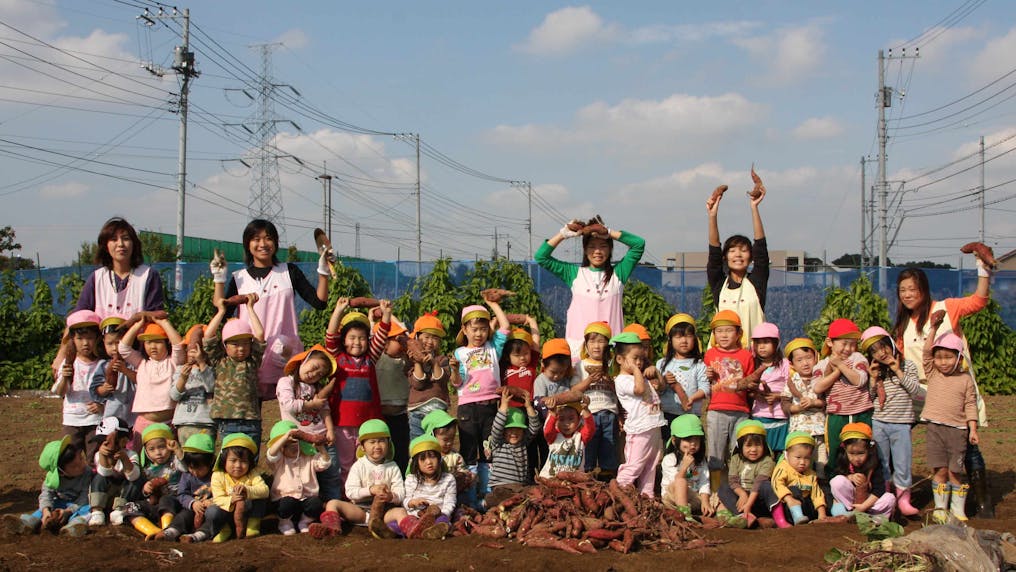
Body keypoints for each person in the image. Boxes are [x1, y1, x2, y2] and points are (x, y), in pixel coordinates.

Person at [892, 261, 993, 517]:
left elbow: (979, 300)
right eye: (902, 290)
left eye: (912, 289)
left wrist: (983, 269)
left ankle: (982, 502)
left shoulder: (946, 308)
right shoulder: (903, 326)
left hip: (955, 391)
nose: (907, 294)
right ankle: (896, 493)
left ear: (923, 290)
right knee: (896, 435)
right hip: (921, 394)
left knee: (966, 446)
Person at [211, 219, 330, 402]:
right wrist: (219, 279)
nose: (262, 244)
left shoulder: (288, 272)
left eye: (268, 238)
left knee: (292, 411)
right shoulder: (240, 279)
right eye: (256, 239)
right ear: (247, 244)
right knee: (251, 415)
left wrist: (323, 270)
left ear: (275, 242)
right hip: (251, 357)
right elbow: (222, 312)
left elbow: (319, 302)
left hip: (285, 355)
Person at [535, 218, 645, 356]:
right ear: (585, 250)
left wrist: (609, 232)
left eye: (603, 246)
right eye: (592, 246)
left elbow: (639, 244)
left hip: (611, 350)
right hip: (579, 351)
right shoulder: (574, 274)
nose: (597, 251)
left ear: (610, 249)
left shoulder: (618, 274)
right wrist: (563, 234)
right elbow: (541, 257)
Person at [324, 297, 391, 487]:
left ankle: (365, 496)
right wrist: (338, 310)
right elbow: (330, 335)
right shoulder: (337, 358)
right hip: (342, 423)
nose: (357, 342)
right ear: (343, 340)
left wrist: (386, 314)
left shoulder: (371, 358)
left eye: (362, 338)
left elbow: (382, 335)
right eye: (352, 338)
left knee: (367, 462)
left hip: (368, 424)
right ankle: (347, 495)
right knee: (346, 463)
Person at [450, 295, 510, 505]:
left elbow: (505, 327)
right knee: (468, 451)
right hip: (467, 407)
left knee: (489, 450)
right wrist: (455, 371)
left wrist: (493, 304)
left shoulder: (493, 348)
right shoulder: (459, 353)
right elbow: (457, 383)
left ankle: (486, 493)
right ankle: (469, 495)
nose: (478, 334)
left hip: (490, 406)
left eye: (483, 329)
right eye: (474, 329)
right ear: (464, 330)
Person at [922, 314, 979, 523]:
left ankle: (957, 510)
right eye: (940, 357)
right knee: (939, 469)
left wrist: (972, 429)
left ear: (959, 358)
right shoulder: (933, 373)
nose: (943, 362)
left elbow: (970, 405)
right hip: (935, 428)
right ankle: (940, 508)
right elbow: (926, 353)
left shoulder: (965, 380)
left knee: (956, 471)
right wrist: (933, 329)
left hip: (957, 430)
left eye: (948, 357)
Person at [860, 326, 921, 516]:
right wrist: (872, 379)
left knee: (903, 462)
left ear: (891, 344)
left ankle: (903, 499)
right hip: (879, 421)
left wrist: (897, 371)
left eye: (883, 347)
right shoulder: (877, 372)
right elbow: (870, 398)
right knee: (883, 462)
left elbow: (916, 392)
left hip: (902, 423)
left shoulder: (907, 366)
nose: (881, 353)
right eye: (874, 351)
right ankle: (886, 497)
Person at [312, 420, 406, 540]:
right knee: (332, 503)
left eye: (382, 441)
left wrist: (391, 496)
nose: (377, 446)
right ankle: (331, 528)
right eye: (372, 442)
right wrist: (370, 490)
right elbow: (350, 492)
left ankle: (410, 531)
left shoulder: (393, 466)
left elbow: (401, 493)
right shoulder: (359, 465)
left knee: (401, 512)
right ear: (362, 446)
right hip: (360, 511)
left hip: (384, 513)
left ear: (389, 443)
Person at [706, 175, 769, 344]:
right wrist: (712, 215)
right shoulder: (720, 285)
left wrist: (754, 208)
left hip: (753, 358)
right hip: (721, 360)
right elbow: (713, 253)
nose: (738, 255)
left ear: (751, 257)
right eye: (732, 251)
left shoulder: (757, 282)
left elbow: (761, 248)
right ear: (725, 257)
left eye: (743, 250)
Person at [205, 295, 266, 456]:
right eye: (235, 344)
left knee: (250, 460)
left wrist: (250, 308)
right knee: (229, 461)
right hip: (227, 421)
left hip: (251, 420)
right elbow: (208, 336)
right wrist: (221, 312)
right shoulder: (220, 361)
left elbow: (259, 335)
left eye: (246, 343)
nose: (241, 348)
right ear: (225, 346)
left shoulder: (252, 361)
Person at [277, 345, 340, 501]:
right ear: (304, 360)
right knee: (304, 477)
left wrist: (330, 430)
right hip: (300, 440)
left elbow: (325, 410)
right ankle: (306, 509)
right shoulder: (286, 382)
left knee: (331, 473)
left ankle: (332, 506)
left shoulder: (316, 389)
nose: (314, 374)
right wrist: (311, 405)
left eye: (320, 374)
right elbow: (288, 405)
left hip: (321, 437)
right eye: (314, 367)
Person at [180, 433, 268, 542]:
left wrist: (247, 490)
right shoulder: (218, 475)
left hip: (246, 513)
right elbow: (217, 498)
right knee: (212, 511)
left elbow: (265, 490)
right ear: (224, 460)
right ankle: (224, 529)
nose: (238, 465)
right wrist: (231, 500)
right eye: (233, 460)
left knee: (260, 498)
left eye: (243, 461)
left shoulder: (252, 474)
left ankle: (252, 527)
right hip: (226, 513)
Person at [703, 310, 755, 493]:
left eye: (728, 330)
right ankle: (715, 492)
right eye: (719, 331)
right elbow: (704, 381)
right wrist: (707, 375)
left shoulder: (746, 356)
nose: (723, 335)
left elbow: (749, 383)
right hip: (716, 410)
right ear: (714, 334)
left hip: (741, 411)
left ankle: (736, 491)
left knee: (737, 454)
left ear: (739, 333)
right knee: (715, 454)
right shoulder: (709, 354)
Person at [611, 332, 665, 497]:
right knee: (634, 464)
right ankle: (618, 493)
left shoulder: (639, 375)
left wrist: (656, 372)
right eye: (635, 358)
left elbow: (661, 387)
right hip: (639, 430)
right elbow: (640, 390)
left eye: (641, 358)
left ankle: (647, 496)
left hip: (654, 425)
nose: (640, 362)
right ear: (620, 360)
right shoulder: (622, 380)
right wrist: (636, 370)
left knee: (651, 464)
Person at [119, 313, 185, 445]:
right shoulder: (142, 364)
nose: (153, 346)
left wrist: (164, 324)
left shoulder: (173, 362)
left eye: (158, 341)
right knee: (139, 458)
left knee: (168, 459)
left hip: (169, 423)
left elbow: (179, 345)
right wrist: (138, 326)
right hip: (144, 423)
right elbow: (123, 348)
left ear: (166, 343)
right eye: (148, 342)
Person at [6, 437, 92, 537]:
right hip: (59, 505)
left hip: (78, 505)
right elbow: (46, 495)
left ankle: (75, 526)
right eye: (74, 466)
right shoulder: (51, 480)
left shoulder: (87, 473)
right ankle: (27, 523)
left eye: (81, 458)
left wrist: (69, 511)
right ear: (61, 472)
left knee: (87, 508)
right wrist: (46, 511)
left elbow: (85, 496)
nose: (82, 465)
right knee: (42, 510)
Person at [53, 310, 105, 464]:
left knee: (94, 458)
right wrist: (66, 377)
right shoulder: (69, 363)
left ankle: (91, 487)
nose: (85, 343)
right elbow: (60, 392)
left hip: (94, 419)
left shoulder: (102, 364)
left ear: (97, 339)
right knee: (68, 457)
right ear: (73, 340)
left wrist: (101, 404)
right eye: (80, 338)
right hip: (72, 419)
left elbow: (109, 391)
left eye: (89, 338)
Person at [813, 319, 871, 456]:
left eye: (852, 344)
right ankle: (836, 476)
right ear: (830, 342)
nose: (848, 348)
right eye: (844, 344)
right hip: (836, 416)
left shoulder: (858, 358)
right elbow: (817, 387)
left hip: (861, 412)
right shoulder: (822, 364)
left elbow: (860, 380)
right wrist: (837, 372)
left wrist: (840, 365)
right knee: (835, 450)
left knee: (863, 451)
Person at [569, 322, 618, 479]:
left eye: (601, 341)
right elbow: (574, 390)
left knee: (609, 447)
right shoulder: (580, 365)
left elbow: (620, 389)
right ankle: (587, 477)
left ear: (608, 344)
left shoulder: (612, 365)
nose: (596, 346)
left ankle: (607, 479)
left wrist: (608, 380)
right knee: (588, 447)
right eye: (592, 341)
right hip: (589, 414)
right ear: (586, 345)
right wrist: (589, 379)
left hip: (610, 412)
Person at [265, 420, 331, 535]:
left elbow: (324, 463)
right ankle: (285, 522)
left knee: (316, 503)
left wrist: (321, 448)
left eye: (295, 443)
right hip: (285, 499)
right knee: (287, 504)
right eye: (287, 445)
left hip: (305, 499)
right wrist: (285, 437)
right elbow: (271, 455)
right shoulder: (279, 461)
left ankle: (304, 521)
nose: (293, 448)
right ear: (281, 447)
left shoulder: (308, 457)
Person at [656, 313, 709, 445]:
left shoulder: (699, 364)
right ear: (670, 340)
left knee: (692, 447)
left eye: (688, 336)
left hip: (691, 415)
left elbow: (705, 388)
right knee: (669, 446)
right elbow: (657, 389)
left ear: (695, 340)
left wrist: (691, 399)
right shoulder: (662, 364)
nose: (684, 341)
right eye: (678, 337)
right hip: (668, 412)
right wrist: (663, 381)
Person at [499, 323, 545, 475]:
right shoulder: (503, 369)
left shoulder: (531, 366)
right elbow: (496, 342)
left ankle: (544, 470)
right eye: (517, 355)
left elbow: (536, 341)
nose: (523, 358)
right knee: (522, 443)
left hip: (530, 408)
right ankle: (528, 473)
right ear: (507, 356)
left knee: (537, 439)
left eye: (526, 353)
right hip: (511, 411)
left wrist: (531, 321)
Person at [126, 423, 185, 537]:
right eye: (152, 449)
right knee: (129, 507)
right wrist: (146, 489)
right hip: (153, 505)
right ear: (146, 451)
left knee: (165, 500)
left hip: (173, 502)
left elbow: (185, 467)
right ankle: (152, 531)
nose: (158, 452)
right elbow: (143, 491)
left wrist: (177, 449)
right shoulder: (146, 469)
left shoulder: (175, 462)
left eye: (162, 447)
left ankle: (166, 530)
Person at [780, 338, 828, 478]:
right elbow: (785, 404)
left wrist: (813, 403)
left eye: (808, 358)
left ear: (816, 357)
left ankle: (820, 489)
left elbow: (826, 402)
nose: (805, 363)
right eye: (799, 360)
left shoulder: (820, 379)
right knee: (800, 466)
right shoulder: (792, 381)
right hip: (799, 432)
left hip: (819, 431)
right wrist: (797, 408)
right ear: (792, 363)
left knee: (821, 463)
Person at [485, 388, 541, 509]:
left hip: (520, 486)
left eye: (518, 429)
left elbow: (535, 427)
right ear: (503, 431)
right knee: (499, 497)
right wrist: (504, 405)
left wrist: (529, 407)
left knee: (535, 493)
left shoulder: (523, 442)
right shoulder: (498, 443)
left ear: (523, 431)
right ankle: (491, 503)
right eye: (510, 429)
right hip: (502, 486)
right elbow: (497, 426)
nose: (514, 433)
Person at [154, 433, 215, 541]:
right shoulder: (187, 475)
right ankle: (171, 531)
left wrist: (212, 501)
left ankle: (196, 537)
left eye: (199, 468)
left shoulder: (216, 476)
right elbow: (182, 494)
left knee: (213, 518)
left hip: (209, 509)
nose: (195, 473)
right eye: (191, 468)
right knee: (184, 516)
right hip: (192, 507)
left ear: (210, 462)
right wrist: (192, 503)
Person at [717, 420, 778, 529]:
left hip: (757, 499)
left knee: (766, 486)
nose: (753, 449)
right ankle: (742, 516)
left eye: (758, 445)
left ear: (764, 445)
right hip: (741, 499)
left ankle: (752, 516)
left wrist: (748, 504)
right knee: (724, 488)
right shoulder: (736, 459)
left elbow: (758, 484)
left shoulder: (768, 461)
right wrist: (742, 494)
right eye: (748, 445)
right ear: (740, 446)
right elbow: (733, 481)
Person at [829, 423, 895, 519]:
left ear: (869, 449)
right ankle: (850, 513)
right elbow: (836, 475)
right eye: (851, 453)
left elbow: (879, 490)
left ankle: (875, 518)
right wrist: (850, 477)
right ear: (844, 449)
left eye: (861, 453)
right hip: (851, 501)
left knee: (890, 498)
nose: (856, 459)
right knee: (837, 481)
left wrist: (864, 507)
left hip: (869, 502)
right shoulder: (843, 460)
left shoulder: (875, 463)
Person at [398, 435, 456, 539]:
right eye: (423, 459)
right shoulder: (411, 479)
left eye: (432, 456)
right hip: (417, 515)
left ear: (439, 459)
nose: (428, 462)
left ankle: (435, 531)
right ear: (416, 463)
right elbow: (404, 501)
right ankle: (415, 530)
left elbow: (450, 503)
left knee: (443, 521)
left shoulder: (448, 479)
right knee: (402, 521)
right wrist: (413, 502)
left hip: (439, 514)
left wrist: (440, 513)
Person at [406, 312, 451, 441]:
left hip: (439, 413)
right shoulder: (410, 361)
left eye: (435, 338)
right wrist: (417, 362)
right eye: (426, 337)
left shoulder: (442, 360)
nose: (430, 342)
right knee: (417, 446)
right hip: (417, 414)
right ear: (417, 337)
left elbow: (441, 379)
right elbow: (418, 384)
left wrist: (433, 362)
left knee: (438, 446)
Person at [87, 417, 139, 527]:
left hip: (123, 494)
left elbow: (133, 477)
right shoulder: (98, 455)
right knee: (98, 478)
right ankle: (97, 511)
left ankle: (120, 510)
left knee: (135, 482)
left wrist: (124, 459)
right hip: (108, 493)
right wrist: (103, 456)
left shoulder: (131, 455)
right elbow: (104, 473)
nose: (104, 445)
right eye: (101, 442)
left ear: (123, 441)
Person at [375, 315, 412, 473]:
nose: (402, 342)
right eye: (398, 340)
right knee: (382, 453)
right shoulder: (377, 357)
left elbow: (405, 333)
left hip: (401, 415)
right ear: (385, 341)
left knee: (401, 451)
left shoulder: (406, 359)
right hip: (381, 416)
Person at [748, 322, 790, 457]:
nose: (761, 347)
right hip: (759, 415)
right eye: (758, 343)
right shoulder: (753, 364)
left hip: (780, 415)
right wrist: (757, 395)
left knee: (781, 452)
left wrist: (778, 396)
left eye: (766, 342)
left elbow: (792, 385)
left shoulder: (784, 364)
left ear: (776, 344)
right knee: (762, 452)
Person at [170, 325, 216, 445]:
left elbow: (211, 387)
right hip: (184, 422)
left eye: (197, 350)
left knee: (203, 457)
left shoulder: (210, 370)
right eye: (190, 350)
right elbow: (174, 396)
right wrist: (183, 378)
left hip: (205, 422)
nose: (193, 354)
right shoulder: (180, 369)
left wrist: (201, 363)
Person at [771, 432, 828, 527]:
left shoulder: (811, 474)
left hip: (806, 507)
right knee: (794, 490)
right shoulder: (783, 468)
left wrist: (822, 513)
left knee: (824, 490)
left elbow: (817, 494)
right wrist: (789, 499)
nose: (802, 462)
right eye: (798, 457)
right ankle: (797, 516)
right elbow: (776, 483)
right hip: (789, 506)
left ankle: (824, 516)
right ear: (787, 454)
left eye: (807, 458)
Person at [660, 414, 711, 520]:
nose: (693, 444)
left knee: (719, 493)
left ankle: (724, 515)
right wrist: (684, 466)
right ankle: (684, 515)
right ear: (674, 440)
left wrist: (705, 501)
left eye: (696, 440)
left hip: (694, 499)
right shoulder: (670, 459)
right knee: (681, 481)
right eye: (688, 440)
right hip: (672, 499)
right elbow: (676, 481)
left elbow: (704, 482)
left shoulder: (701, 461)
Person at [90, 316, 137, 428]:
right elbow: (95, 389)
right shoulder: (103, 365)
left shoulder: (134, 362)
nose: (115, 348)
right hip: (111, 414)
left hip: (133, 415)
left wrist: (125, 370)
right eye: (110, 344)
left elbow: (141, 381)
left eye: (118, 342)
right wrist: (103, 389)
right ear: (103, 343)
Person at [421, 410, 474, 505]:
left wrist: (466, 476)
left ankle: (461, 512)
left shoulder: (455, 456)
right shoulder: (425, 457)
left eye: (452, 439)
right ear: (432, 436)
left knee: (463, 499)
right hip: (432, 494)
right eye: (445, 440)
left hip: (453, 493)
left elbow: (463, 470)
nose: (449, 443)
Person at [540, 399, 595, 478]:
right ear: (556, 421)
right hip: (550, 479)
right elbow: (547, 431)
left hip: (574, 481)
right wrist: (552, 412)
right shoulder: (553, 436)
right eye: (561, 419)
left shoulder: (581, 437)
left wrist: (586, 410)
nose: (566, 423)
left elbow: (591, 429)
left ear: (579, 419)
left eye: (571, 419)